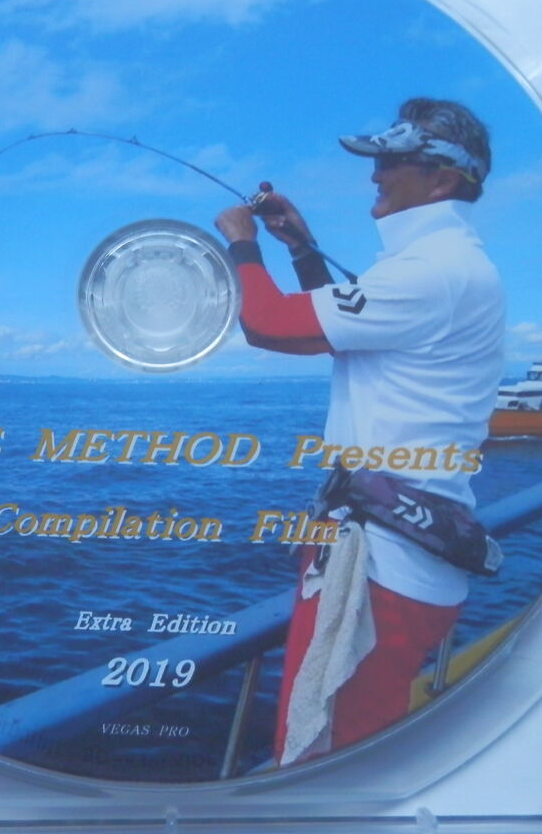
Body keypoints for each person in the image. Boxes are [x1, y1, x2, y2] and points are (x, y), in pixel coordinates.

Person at [213, 98, 505, 763]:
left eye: (393, 160)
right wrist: (301, 247)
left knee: (324, 759)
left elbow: (269, 325)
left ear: (442, 179)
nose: (376, 173)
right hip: (397, 553)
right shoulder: (447, 264)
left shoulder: (431, 271)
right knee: (351, 744)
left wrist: (242, 242)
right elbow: (347, 334)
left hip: (381, 572)